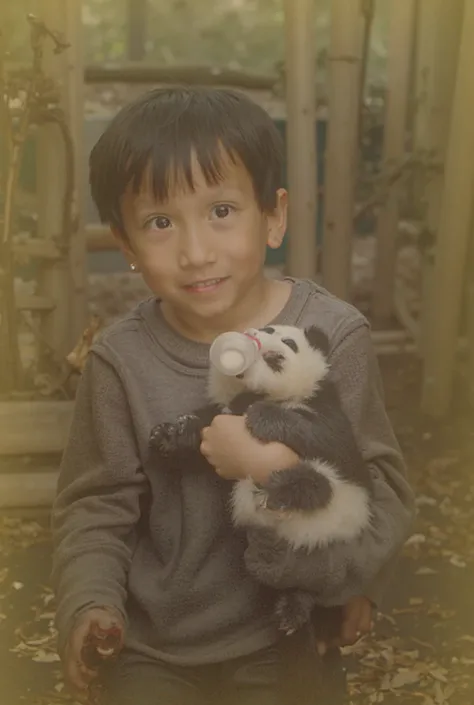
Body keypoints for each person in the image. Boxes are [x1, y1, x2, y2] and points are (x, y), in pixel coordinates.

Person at [51, 86, 415, 705]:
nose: (196, 252)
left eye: (221, 211)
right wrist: (90, 603)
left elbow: (378, 488)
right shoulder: (121, 360)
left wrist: (354, 580)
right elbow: (97, 505)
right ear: (126, 244)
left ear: (273, 216)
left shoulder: (332, 337)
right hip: (154, 642)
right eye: (160, 223)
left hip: (289, 629)